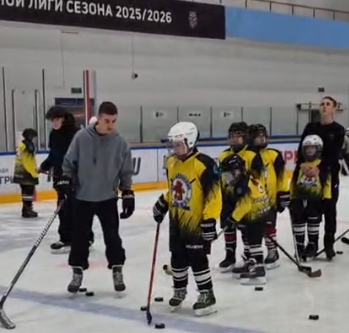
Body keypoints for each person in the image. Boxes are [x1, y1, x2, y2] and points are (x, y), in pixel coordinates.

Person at [60, 101, 136, 294]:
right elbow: (69, 162)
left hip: (107, 198)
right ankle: (77, 272)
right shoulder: (81, 138)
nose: (110, 125)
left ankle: (117, 269)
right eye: (107, 121)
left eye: (114, 121)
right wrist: (66, 179)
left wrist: (127, 192)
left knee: (112, 237)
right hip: (82, 197)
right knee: (79, 239)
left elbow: (126, 171)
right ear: (98, 119)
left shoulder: (120, 143)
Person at [152, 121, 221, 316]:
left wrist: (209, 220)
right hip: (177, 221)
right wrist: (163, 203)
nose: (174, 148)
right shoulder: (172, 163)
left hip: (196, 223)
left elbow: (214, 195)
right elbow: (174, 189)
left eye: (178, 144)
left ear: (190, 142)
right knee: (177, 258)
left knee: (198, 259)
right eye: (172, 144)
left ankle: (207, 294)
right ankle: (179, 290)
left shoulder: (204, 164)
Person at [296, 96, 345, 259]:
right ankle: (312, 244)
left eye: (328, 104)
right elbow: (301, 149)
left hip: (328, 175)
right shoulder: (310, 127)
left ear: (334, 108)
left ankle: (329, 244)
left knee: (330, 210)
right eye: (322, 104)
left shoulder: (338, 130)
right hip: (309, 174)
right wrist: (302, 164)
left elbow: (334, 153)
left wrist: (320, 168)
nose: (324, 106)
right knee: (312, 209)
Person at [40, 107, 91, 253]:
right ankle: (69, 237)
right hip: (59, 177)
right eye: (52, 120)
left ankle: (82, 238)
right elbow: (54, 154)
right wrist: (44, 166)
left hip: (74, 178)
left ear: (64, 119)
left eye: (57, 119)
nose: (54, 123)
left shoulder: (75, 134)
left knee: (75, 209)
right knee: (63, 209)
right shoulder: (53, 134)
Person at [223, 152, 274, 285]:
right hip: (259, 213)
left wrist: (232, 219)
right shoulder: (246, 179)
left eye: (229, 174)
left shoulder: (242, 184)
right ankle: (251, 263)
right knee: (249, 239)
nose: (227, 178)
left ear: (237, 172)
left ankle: (259, 270)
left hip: (255, 216)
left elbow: (245, 205)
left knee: (254, 242)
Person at [246, 124, 286, 269]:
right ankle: (253, 255)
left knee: (269, 226)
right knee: (251, 229)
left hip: (270, 199)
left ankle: (272, 251)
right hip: (253, 201)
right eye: (258, 137)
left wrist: (283, 192)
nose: (262, 140)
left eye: (264, 136)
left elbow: (281, 176)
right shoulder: (247, 155)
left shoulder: (273, 154)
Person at [289, 135, 333, 261]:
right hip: (299, 198)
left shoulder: (323, 165)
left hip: (315, 199)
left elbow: (327, 183)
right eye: (307, 148)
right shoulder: (300, 165)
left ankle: (312, 245)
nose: (309, 150)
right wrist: (291, 196)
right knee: (298, 222)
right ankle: (299, 246)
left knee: (313, 222)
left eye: (312, 148)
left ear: (318, 149)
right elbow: (293, 181)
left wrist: (327, 198)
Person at [217, 121, 252, 272]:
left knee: (245, 228)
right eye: (231, 136)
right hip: (227, 197)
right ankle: (229, 256)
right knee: (228, 226)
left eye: (238, 136)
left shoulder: (251, 154)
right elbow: (220, 177)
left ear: (245, 137)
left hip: (245, 197)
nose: (234, 139)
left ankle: (249, 255)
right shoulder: (223, 155)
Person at [13, 128, 39, 218]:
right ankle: (27, 210)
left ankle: (26, 209)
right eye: (32, 137)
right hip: (27, 171)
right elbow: (30, 150)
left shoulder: (21, 145)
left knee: (25, 191)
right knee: (28, 191)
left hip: (20, 171)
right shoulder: (26, 144)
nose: (33, 139)